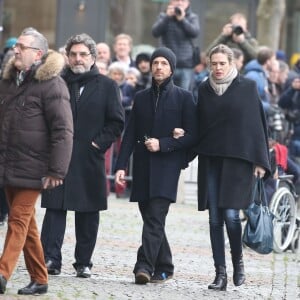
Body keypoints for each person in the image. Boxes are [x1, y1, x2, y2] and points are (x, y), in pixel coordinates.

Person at [40, 33, 124, 278]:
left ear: (93, 57)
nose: (77, 59)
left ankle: (83, 262)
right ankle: (50, 259)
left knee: (88, 212)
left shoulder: (107, 86)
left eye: (83, 54)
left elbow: (116, 122)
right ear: (67, 56)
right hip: (59, 157)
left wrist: (97, 144)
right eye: (73, 54)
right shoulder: (56, 82)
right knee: (55, 209)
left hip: (89, 158)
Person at [115, 47, 198, 284]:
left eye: (164, 63)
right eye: (155, 63)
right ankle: (165, 265)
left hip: (167, 168)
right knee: (151, 219)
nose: (159, 67)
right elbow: (129, 135)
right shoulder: (141, 98)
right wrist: (121, 166)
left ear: (171, 68)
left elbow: (194, 136)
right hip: (142, 167)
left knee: (155, 217)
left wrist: (164, 145)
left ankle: (143, 266)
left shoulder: (184, 97)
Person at [0, 27, 73, 295]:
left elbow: (63, 130)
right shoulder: (8, 81)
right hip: (8, 163)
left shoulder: (53, 84)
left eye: (22, 46)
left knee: (18, 219)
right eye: (15, 45)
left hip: (35, 168)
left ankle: (2, 272)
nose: (15, 49)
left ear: (38, 54)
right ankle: (40, 279)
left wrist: (57, 169)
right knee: (27, 224)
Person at [193, 44, 270, 291]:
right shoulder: (204, 88)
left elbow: (257, 125)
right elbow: (198, 123)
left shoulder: (247, 87)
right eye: (213, 63)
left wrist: (260, 161)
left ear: (231, 63)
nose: (217, 68)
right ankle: (220, 274)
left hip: (238, 160)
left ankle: (238, 263)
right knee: (215, 219)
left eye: (221, 63)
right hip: (211, 159)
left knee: (231, 215)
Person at [152, 0, 200, 90]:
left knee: (184, 95)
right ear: (170, 2)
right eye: (177, 0)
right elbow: (155, 32)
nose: (180, 3)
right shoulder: (163, 16)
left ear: (188, 3)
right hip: (167, 63)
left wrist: (182, 20)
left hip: (186, 64)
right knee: (165, 92)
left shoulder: (192, 17)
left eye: (183, 1)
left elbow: (195, 33)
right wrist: (167, 17)